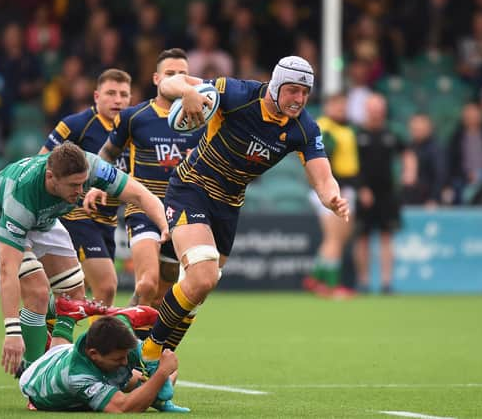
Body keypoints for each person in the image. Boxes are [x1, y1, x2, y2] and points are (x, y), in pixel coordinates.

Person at [138, 56, 350, 363]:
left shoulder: (304, 128)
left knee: (199, 291)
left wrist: (332, 198)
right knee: (202, 277)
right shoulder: (236, 94)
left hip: (229, 204)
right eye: (292, 90)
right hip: (191, 188)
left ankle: (156, 363)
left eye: (305, 93)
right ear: (276, 86)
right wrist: (187, 92)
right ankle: (149, 352)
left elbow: (324, 178)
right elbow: (171, 83)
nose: (299, 99)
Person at [0, 142, 169, 376]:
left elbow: (139, 193)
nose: (80, 190)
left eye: (83, 183)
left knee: (74, 296)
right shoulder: (20, 197)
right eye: (74, 185)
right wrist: (12, 332)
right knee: (37, 292)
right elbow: (8, 271)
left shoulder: (92, 166)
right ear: (50, 177)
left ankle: (55, 361)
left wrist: (165, 226)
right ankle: (34, 376)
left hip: (45, 220)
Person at [98, 49, 204, 346]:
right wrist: (95, 184)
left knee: (161, 299)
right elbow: (107, 155)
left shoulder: (200, 120)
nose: (176, 79)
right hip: (143, 207)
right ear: (157, 79)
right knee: (147, 283)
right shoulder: (135, 117)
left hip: (182, 213)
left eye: (183, 74)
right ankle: (123, 345)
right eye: (170, 74)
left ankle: (135, 347)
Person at [39, 69, 132, 308]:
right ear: (96, 96)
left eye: (124, 94)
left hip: (108, 221)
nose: (118, 100)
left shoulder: (132, 130)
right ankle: (98, 345)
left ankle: (48, 329)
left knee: (77, 293)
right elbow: (41, 164)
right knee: (107, 286)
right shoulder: (76, 125)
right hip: (77, 216)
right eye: (111, 93)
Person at [20, 296, 189, 413]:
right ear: (93, 354)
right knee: (139, 382)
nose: (124, 362)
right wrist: (160, 374)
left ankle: (69, 316)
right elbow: (124, 407)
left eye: (125, 356)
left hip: (65, 354)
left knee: (138, 380)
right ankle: (62, 319)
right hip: (35, 384)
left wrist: (156, 365)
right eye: (118, 358)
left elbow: (155, 364)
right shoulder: (77, 377)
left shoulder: (108, 345)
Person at [354, 93, 416, 294]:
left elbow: (407, 153)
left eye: (379, 109)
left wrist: (409, 173)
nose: (376, 113)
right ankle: (363, 282)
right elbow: (350, 165)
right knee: (362, 237)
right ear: (366, 110)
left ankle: (386, 283)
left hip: (387, 193)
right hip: (362, 192)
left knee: (386, 237)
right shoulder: (356, 134)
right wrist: (361, 188)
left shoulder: (392, 133)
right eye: (372, 109)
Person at [303, 93, 359, 299]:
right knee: (334, 238)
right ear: (328, 106)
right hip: (334, 189)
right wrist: (332, 190)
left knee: (339, 237)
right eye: (337, 105)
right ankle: (331, 286)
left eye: (343, 105)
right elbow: (321, 160)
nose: (341, 109)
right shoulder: (324, 128)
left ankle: (315, 278)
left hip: (346, 186)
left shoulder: (345, 128)